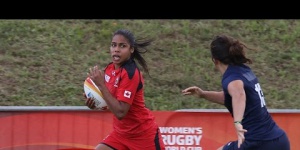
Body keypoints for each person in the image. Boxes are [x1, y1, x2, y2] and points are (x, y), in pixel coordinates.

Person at [181, 34, 290, 150]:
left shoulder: (231, 78)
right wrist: (203, 94)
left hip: (259, 142)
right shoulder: (243, 70)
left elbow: (239, 95)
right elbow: (232, 97)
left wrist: (237, 122)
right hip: (279, 140)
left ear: (215, 60)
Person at [84, 29, 165, 150]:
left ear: (131, 50)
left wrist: (101, 85)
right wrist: (96, 102)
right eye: (113, 45)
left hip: (143, 136)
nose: (116, 49)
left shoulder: (131, 73)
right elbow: (110, 101)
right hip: (120, 135)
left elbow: (121, 112)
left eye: (122, 46)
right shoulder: (109, 69)